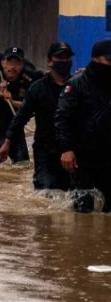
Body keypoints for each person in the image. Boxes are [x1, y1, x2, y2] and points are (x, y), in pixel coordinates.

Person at [0, 42, 75, 190]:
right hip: (45, 151)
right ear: (49, 61)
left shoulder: (76, 86)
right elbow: (22, 116)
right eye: (60, 58)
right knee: (46, 193)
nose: (64, 62)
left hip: (71, 150)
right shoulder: (38, 88)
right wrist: (7, 141)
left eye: (67, 58)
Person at [55, 39, 111, 213]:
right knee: (83, 211)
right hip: (81, 158)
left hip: (108, 157)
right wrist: (66, 149)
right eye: (109, 60)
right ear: (95, 60)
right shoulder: (77, 84)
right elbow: (62, 118)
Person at [0, 47, 33, 166]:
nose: (12, 67)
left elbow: (29, 107)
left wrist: (12, 101)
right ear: (3, 63)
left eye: (17, 63)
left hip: (15, 132)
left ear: (22, 65)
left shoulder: (26, 80)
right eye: (9, 62)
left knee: (22, 167)